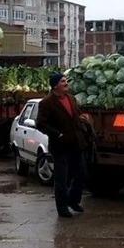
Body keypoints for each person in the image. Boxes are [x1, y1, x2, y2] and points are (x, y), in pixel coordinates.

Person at [36, 73, 88, 218]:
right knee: (62, 179)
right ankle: (62, 207)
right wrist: (57, 134)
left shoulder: (71, 98)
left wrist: (82, 118)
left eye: (66, 80)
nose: (66, 83)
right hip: (60, 146)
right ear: (55, 86)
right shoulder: (46, 103)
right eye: (62, 81)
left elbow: (75, 116)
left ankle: (73, 200)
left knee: (81, 173)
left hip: (76, 143)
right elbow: (40, 124)